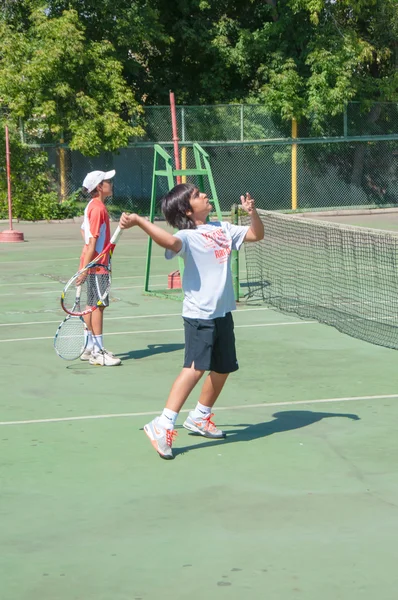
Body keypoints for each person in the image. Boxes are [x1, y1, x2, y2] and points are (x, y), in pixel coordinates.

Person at [120, 183, 264, 459]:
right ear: (187, 209)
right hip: (200, 315)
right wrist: (139, 221)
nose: (205, 195)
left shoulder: (222, 228)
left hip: (222, 313)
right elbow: (170, 242)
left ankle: (200, 416)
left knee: (223, 368)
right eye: (198, 195)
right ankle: (162, 424)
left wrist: (252, 213)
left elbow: (256, 234)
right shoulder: (186, 236)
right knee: (195, 369)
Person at [79, 170, 121, 367]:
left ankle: (89, 348)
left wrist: (87, 258)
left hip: (93, 262)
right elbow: (94, 239)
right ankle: (98, 351)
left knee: (91, 305)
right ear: (99, 187)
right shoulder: (98, 209)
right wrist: (89, 266)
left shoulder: (91, 206)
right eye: (107, 181)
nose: (110, 183)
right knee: (98, 306)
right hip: (97, 265)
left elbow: (84, 231)